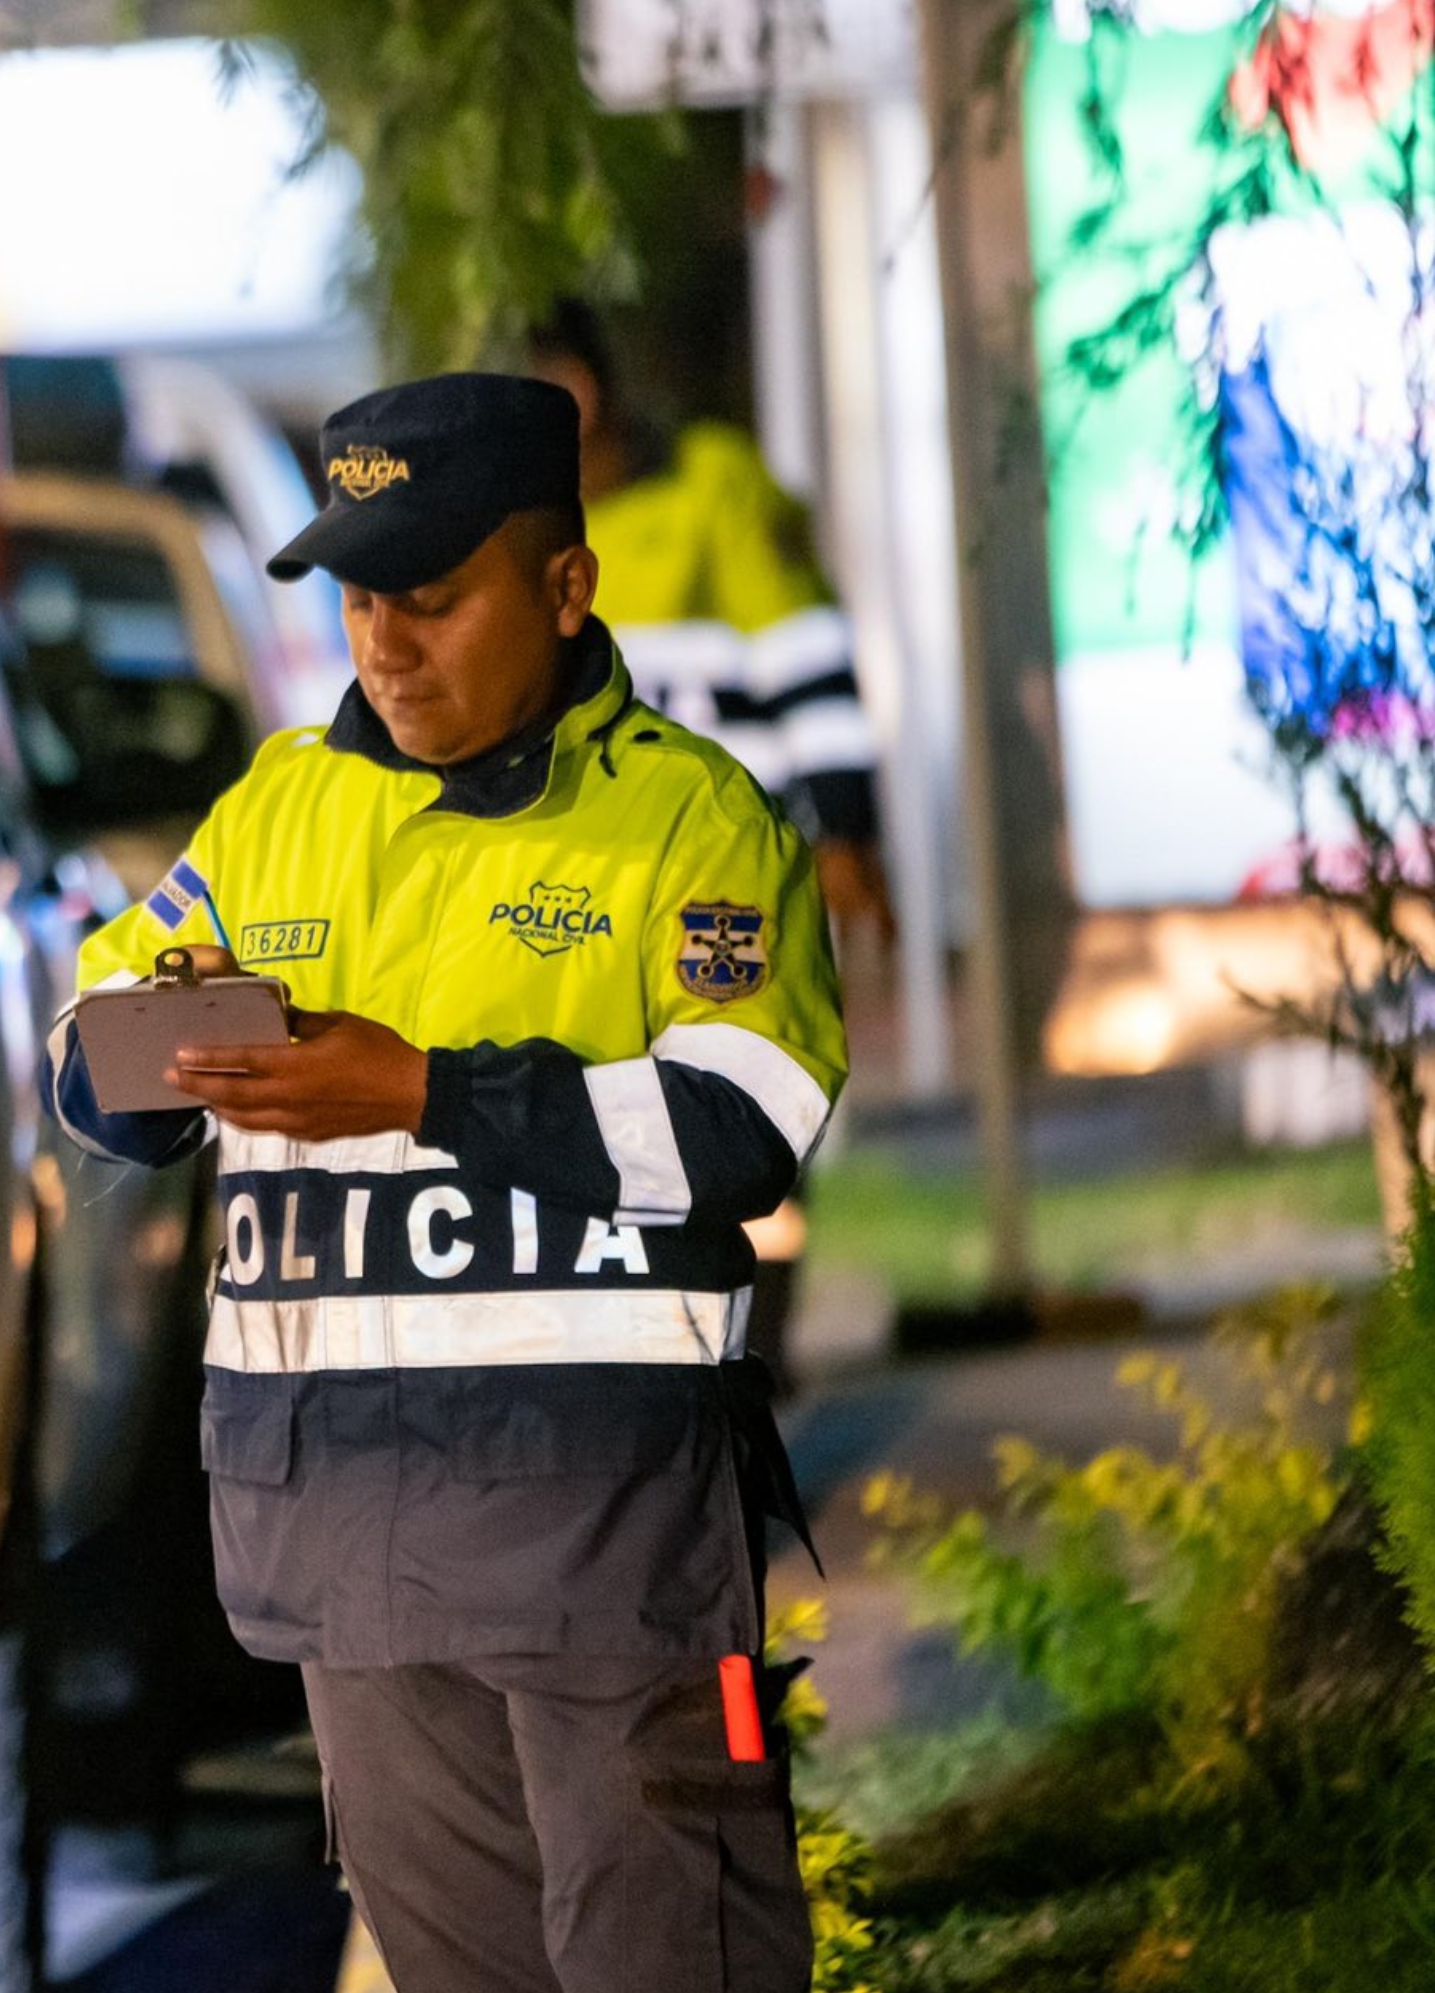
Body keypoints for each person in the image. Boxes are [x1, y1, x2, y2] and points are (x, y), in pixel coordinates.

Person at [46, 373, 840, 1993]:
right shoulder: (279, 810)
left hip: (595, 1537)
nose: (381, 647)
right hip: (340, 1544)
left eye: (427, 599)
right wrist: (153, 1049)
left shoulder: (685, 825)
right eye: (353, 601)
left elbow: (737, 1132)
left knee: (671, 1963)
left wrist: (407, 1085)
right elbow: (84, 1062)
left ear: (561, 587)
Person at [524, 304, 881, 1378]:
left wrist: (848, 830)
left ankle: (750, 1368)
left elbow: (809, 655)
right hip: (597, 888)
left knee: (745, 1109)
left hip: (732, 876)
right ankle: (661, 1373)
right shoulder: (526, 524)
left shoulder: (714, 485)